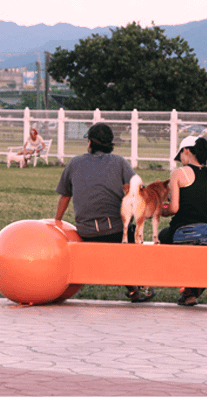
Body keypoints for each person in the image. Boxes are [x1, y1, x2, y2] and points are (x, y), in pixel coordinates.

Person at [54, 122, 154, 302]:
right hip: (115, 232)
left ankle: (134, 290)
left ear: (90, 142)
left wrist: (56, 222)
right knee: (132, 234)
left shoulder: (74, 163)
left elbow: (65, 197)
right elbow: (138, 191)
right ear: (110, 144)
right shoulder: (119, 162)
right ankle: (137, 288)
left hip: (86, 232)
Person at [158, 136, 207, 306]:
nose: (181, 160)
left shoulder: (179, 173)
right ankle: (191, 292)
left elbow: (174, 208)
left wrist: (160, 210)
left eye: (181, 156)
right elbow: (205, 205)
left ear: (186, 151)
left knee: (163, 236)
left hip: (182, 229)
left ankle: (186, 285)